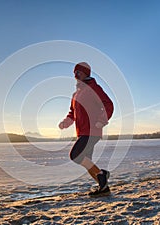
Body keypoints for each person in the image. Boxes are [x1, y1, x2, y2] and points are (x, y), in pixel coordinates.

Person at [59, 62, 114, 195]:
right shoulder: (76, 94)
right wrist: (66, 122)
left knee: (76, 155)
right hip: (82, 131)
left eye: (79, 72)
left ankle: (102, 175)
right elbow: (72, 112)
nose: (76, 75)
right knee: (87, 162)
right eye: (74, 73)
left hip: (92, 130)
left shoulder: (94, 88)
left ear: (86, 74)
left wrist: (102, 121)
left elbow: (108, 104)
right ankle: (103, 188)